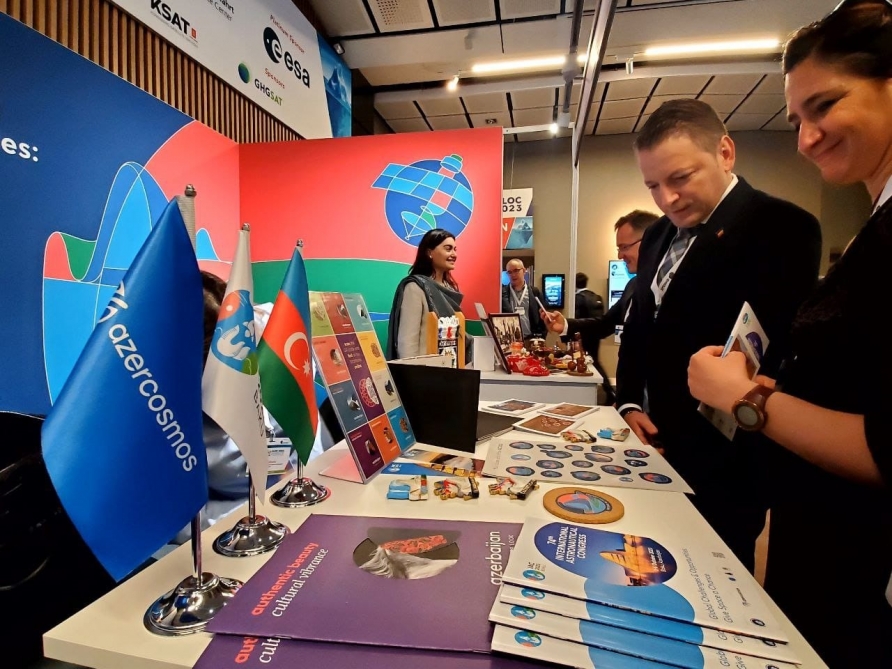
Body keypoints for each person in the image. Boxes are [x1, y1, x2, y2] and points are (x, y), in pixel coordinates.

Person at [688, 2, 892, 664]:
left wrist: (747, 398)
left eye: (824, 106)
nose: (807, 138)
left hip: (856, 570)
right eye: (796, 120)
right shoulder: (875, 225)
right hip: (820, 548)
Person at [609, 99, 822, 573]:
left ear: (725, 153)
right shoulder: (658, 235)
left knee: (715, 577)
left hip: (724, 459)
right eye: (653, 186)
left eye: (680, 178)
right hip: (651, 445)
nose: (668, 198)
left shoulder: (782, 227)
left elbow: (770, 351)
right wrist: (629, 403)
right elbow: (641, 326)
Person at [544, 210, 660, 404]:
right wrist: (565, 325)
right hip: (635, 401)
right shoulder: (633, 286)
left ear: (650, 241)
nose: (620, 255)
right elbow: (605, 324)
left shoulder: (675, 286)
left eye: (624, 247)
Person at [386, 229, 463, 360]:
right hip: (425, 369)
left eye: (455, 249)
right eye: (448, 249)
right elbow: (407, 344)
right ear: (429, 253)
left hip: (450, 367)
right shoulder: (415, 288)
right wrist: (413, 371)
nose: (454, 254)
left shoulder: (450, 289)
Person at [501, 258, 546, 341]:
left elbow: (543, 317)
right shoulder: (502, 294)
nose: (513, 275)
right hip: (510, 341)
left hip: (531, 340)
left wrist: (541, 336)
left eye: (516, 270)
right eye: (509, 272)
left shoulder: (535, 292)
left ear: (524, 271)